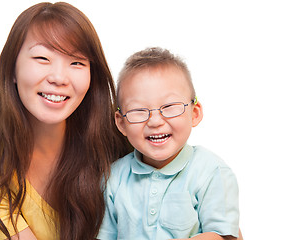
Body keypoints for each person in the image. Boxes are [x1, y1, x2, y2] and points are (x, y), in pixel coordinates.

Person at [0, 2, 131, 240]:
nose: (59, 77)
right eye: (42, 58)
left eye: (77, 62)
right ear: (12, 70)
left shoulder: (120, 134)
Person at [97, 47, 240, 240]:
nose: (155, 121)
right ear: (121, 123)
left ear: (195, 114)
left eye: (169, 107)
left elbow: (224, 236)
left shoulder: (211, 171)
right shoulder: (113, 178)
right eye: (138, 110)